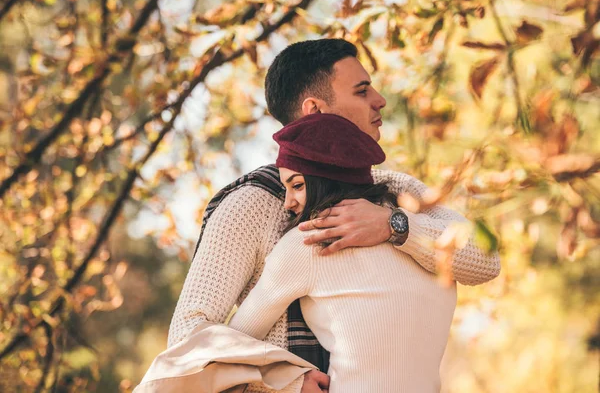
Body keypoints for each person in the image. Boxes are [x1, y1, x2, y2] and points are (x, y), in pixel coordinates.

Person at [168, 39, 501, 393]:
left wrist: (394, 227)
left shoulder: (395, 190)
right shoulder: (253, 203)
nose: (380, 99)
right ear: (315, 111)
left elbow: (486, 261)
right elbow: (187, 339)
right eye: (361, 91)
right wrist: (284, 379)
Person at [228, 112, 457, 392]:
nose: (288, 203)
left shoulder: (310, 242)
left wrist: (289, 382)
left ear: (327, 179)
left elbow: (230, 348)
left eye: (297, 185)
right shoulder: (433, 242)